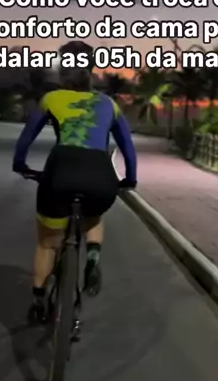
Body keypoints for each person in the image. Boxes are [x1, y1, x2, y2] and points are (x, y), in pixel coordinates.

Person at [12, 41, 138, 324]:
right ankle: (92, 257)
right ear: (91, 70)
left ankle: (38, 301)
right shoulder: (109, 104)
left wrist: (20, 165)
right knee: (94, 214)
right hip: (100, 176)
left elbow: (25, 140)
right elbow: (128, 149)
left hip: (61, 172)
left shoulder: (51, 99)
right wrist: (130, 178)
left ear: (62, 71)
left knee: (47, 243)